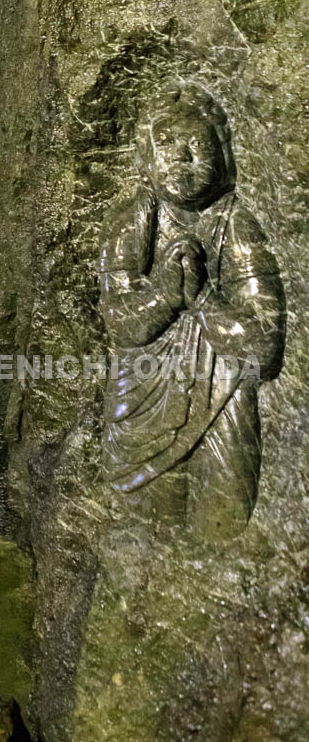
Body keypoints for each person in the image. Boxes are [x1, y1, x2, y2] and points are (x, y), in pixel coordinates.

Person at [99, 85, 284, 540]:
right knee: (142, 532)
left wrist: (202, 300)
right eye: (165, 145)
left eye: (195, 144)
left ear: (223, 154)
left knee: (221, 527)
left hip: (221, 398)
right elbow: (119, 324)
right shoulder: (133, 222)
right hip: (142, 400)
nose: (180, 157)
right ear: (146, 158)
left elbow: (263, 348)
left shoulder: (235, 224)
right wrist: (164, 294)